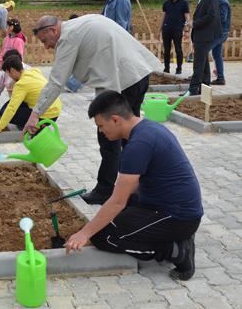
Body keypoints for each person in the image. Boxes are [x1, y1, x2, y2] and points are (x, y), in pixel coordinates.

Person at [65, 91, 203, 281]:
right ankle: (174, 237)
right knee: (114, 216)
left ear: (115, 120)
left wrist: (84, 233)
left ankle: (175, 250)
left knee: (103, 237)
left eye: (100, 126)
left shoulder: (138, 144)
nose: (101, 132)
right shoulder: (149, 128)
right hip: (171, 207)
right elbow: (128, 191)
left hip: (177, 217)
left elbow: (116, 202)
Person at [26, 14, 162, 205]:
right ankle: (136, 188)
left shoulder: (67, 37)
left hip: (124, 81)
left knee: (109, 135)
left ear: (53, 30)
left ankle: (107, 190)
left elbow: (57, 82)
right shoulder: (80, 23)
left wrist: (35, 114)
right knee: (130, 136)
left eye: (45, 41)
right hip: (135, 74)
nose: (47, 47)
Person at [0, 53, 61, 134]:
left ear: (12, 70)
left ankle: (37, 127)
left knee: (5, 111)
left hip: (46, 116)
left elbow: (12, 108)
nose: (9, 76)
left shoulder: (21, 84)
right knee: (6, 107)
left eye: (8, 73)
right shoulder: (34, 71)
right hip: (55, 110)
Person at [187, 0, 221, 96]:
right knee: (204, 63)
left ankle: (193, 89)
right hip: (202, 35)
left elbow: (211, 16)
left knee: (198, 64)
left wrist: (194, 24)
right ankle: (205, 87)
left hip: (205, 35)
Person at [0, 49, 30, 115]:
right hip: (14, 101)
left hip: (28, 102)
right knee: (3, 112)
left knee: (10, 114)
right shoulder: (5, 73)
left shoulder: (28, 71)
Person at [160, 0, 190, 74]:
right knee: (166, 50)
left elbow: (187, 16)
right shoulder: (166, 3)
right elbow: (163, 17)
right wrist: (159, 30)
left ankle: (179, 68)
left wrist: (187, 29)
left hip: (177, 29)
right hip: (166, 29)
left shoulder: (184, 3)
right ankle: (166, 68)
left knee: (178, 49)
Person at [209, 0, 231, 85]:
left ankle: (200, 76)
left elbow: (222, 18)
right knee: (216, 54)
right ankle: (220, 78)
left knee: (204, 50)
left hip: (221, 32)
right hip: (218, 31)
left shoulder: (223, 1)